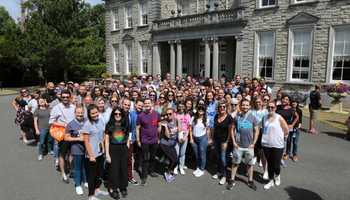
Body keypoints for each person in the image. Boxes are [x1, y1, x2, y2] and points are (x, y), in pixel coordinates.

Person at [227, 99, 259, 191]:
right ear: (240, 106)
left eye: (247, 105)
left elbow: (256, 131)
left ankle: (250, 180)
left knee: (249, 164)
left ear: (249, 106)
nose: (245, 107)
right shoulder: (237, 117)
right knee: (235, 163)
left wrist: (253, 143)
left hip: (249, 146)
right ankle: (232, 180)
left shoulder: (253, 117)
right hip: (238, 145)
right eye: (243, 105)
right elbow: (232, 129)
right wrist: (233, 141)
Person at [81, 104, 109, 200]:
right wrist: (91, 155)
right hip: (91, 154)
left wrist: (104, 149)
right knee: (91, 175)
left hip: (100, 152)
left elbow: (102, 136)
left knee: (99, 173)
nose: (95, 115)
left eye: (96, 112)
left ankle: (97, 189)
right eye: (92, 113)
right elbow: (86, 141)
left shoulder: (101, 121)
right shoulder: (87, 124)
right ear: (89, 114)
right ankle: (91, 195)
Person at [49, 90, 76, 183]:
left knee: (72, 153)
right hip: (62, 135)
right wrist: (62, 125)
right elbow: (51, 121)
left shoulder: (73, 107)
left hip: (72, 134)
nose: (65, 99)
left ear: (70, 97)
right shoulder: (56, 108)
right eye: (63, 97)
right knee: (62, 154)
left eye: (67, 97)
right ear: (61, 97)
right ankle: (63, 174)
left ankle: (72, 170)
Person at [261, 101, 289, 190]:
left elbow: (286, 130)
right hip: (266, 144)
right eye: (268, 107)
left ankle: (277, 175)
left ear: (275, 108)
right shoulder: (264, 117)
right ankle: (270, 181)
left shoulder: (279, 118)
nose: (270, 109)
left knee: (276, 165)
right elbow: (263, 129)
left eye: (272, 107)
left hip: (277, 145)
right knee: (270, 164)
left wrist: (280, 138)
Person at [105, 107, 129, 199]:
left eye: (119, 114)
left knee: (123, 169)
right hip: (113, 148)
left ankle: (123, 187)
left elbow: (127, 136)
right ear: (113, 114)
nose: (118, 115)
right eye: (116, 114)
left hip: (123, 148)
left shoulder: (125, 124)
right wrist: (107, 154)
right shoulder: (109, 125)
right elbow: (106, 140)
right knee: (113, 170)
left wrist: (127, 146)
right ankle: (113, 189)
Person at [136, 99, 160, 186]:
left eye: (148, 103)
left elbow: (159, 126)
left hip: (154, 140)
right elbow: (138, 128)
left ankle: (152, 171)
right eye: (145, 103)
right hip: (145, 140)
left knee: (153, 157)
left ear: (151, 104)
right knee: (145, 158)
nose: (147, 104)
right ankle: (144, 176)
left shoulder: (156, 114)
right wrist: (138, 140)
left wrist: (159, 137)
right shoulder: (141, 115)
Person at [64, 105, 87, 195]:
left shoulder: (87, 121)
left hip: (87, 148)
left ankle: (85, 181)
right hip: (76, 148)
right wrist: (78, 139)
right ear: (75, 113)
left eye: (81, 113)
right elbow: (66, 138)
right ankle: (77, 185)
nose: (80, 114)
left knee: (85, 166)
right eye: (78, 113)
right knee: (77, 168)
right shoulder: (70, 124)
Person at [211, 101, 233, 185]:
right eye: (221, 106)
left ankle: (224, 175)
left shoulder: (229, 117)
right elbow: (214, 128)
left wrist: (227, 141)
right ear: (218, 108)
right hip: (216, 140)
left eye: (224, 106)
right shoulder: (216, 116)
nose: (222, 108)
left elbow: (230, 131)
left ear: (226, 108)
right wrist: (212, 139)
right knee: (218, 157)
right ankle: (219, 172)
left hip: (224, 141)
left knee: (224, 159)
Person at [276, 95, 299, 162]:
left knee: (286, 141)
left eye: (286, 99)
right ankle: (279, 155)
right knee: (278, 141)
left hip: (286, 127)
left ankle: (285, 154)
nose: (284, 100)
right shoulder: (278, 107)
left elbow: (297, 117)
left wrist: (292, 124)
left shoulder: (291, 109)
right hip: (278, 127)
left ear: (288, 101)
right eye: (283, 99)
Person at [159, 108, 179, 183]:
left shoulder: (176, 120)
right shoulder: (164, 122)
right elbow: (167, 136)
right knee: (173, 159)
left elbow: (179, 130)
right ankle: (167, 173)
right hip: (165, 144)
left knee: (175, 160)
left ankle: (169, 171)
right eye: (167, 114)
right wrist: (166, 127)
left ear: (173, 113)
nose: (168, 115)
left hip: (172, 144)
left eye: (170, 114)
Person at [189, 105, 209, 177]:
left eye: (202, 109)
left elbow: (208, 129)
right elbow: (190, 129)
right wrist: (191, 138)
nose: (201, 110)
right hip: (194, 138)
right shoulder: (193, 118)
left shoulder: (206, 119)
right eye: (199, 109)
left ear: (204, 111)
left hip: (202, 138)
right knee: (196, 154)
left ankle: (202, 169)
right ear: (197, 110)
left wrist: (209, 139)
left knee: (202, 154)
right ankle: (198, 167)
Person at [174, 101, 191, 175]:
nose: (181, 108)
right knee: (176, 153)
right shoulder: (175, 115)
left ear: (184, 107)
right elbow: (173, 125)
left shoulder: (187, 115)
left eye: (182, 106)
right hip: (176, 135)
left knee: (182, 153)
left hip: (184, 135)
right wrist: (177, 134)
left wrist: (185, 137)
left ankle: (181, 167)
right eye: (179, 106)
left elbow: (188, 127)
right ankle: (175, 167)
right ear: (177, 107)